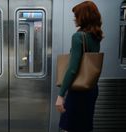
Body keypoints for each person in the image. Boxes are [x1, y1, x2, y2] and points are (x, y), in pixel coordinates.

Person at [55, 1, 103, 132]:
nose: (74, 18)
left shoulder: (78, 37)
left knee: (70, 127)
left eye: (76, 15)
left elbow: (72, 69)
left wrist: (61, 95)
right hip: (91, 89)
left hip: (78, 92)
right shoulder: (96, 36)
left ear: (83, 16)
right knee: (85, 127)